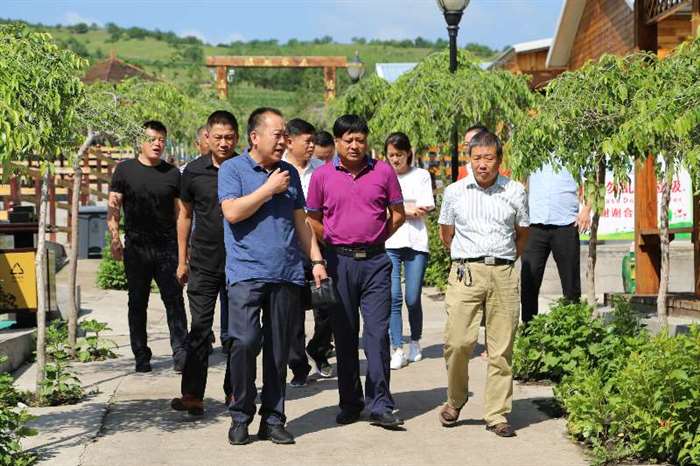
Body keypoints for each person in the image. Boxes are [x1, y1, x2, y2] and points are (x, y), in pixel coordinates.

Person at [219, 107, 327, 446]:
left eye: (285, 136)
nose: (283, 141)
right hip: (246, 273)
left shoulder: (289, 173)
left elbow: (301, 221)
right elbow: (232, 212)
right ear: (255, 137)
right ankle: (240, 414)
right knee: (244, 341)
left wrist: (316, 260)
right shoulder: (233, 169)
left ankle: (273, 419)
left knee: (279, 351)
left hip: (286, 274)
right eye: (277, 135)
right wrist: (268, 189)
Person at [307, 114, 406, 429]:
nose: (354, 145)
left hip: (376, 263)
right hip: (339, 263)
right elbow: (312, 219)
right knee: (345, 334)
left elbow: (398, 214)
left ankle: (380, 404)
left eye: (360, 140)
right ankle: (350, 402)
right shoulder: (322, 176)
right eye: (348, 140)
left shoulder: (383, 171)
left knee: (377, 335)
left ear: (367, 141)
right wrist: (333, 241)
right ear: (337, 142)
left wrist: (376, 237)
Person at [437, 130, 529, 438]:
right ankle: (456, 399)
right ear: (469, 159)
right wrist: (466, 258)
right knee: (457, 342)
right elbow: (446, 233)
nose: (482, 164)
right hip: (466, 272)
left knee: (501, 349)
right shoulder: (455, 192)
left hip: (503, 273)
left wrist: (504, 261)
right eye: (477, 158)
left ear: (499, 160)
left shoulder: (515, 191)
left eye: (489, 158)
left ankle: (496, 414)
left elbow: (522, 234)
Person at [170, 110, 239, 417]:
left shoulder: (244, 168)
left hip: (239, 263)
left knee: (237, 332)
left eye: (229, 138)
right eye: (218, 137)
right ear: (207, 137)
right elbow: (184, 216)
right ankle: (192, 395)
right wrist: (181, 260)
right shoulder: (193, 172)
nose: (223, 143)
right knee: (199, 329)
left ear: (237, 138)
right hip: (203, 262)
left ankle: (235, 390)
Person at [108, 121, 188, 373]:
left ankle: (181, 353)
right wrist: (114, 238)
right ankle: (141, 355)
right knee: (137, 302)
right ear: (140, 142)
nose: (157, 144)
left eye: (161, 139)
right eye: (152, 139)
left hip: (166, 246)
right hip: (137, 246)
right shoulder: (124, 170)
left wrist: (183, 256)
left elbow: (181, 214)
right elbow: (113, 207)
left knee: (174, 300)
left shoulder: (173, 174)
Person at [282, 118, 333, 384]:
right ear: (290, 141)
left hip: (320, 246)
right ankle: (298, 366)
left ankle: (319, 349)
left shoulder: (323, 170)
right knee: (293, 313)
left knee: (327, 305)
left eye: (314, 141)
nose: (312, 146)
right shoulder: (277, 170)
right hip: (289, 249)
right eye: (308, 141)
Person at [383, 132, 434, 370]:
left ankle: (415, 340)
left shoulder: (421, 175)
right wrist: (406, 208)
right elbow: (379, 207)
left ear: (408, 154)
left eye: (399, 155)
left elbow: (424, 208)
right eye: (391, 155)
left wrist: (396, 208)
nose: (395, 159)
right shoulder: (382, 176)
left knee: (412, 298)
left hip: (416, 243)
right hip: (390, 243)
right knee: (393, 297)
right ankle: (397, 347)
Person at [520, 163, 591, 324]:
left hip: (566, 224)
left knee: (571, 283)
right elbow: (520, 179)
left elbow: (592, 179)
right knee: (529, 281)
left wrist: (586, 209)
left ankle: (573, 329)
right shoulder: (533, 152)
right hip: (535, 224)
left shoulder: (573, 152)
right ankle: (528, 331)